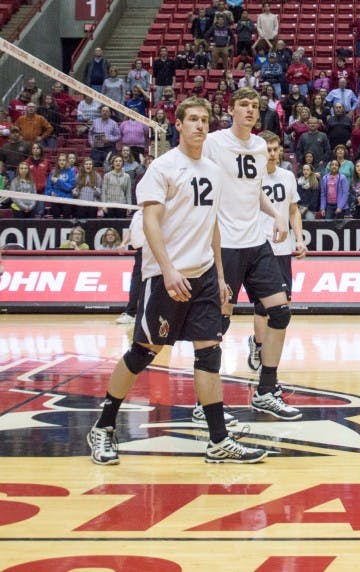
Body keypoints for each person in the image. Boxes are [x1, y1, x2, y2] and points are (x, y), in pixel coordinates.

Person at [87, 95, 266, 466]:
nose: (201, 125)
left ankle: (218, 440)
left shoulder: (214, 172)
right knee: (142, 354)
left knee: (209, 353)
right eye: (194, 119)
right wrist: (167, 268)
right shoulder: (163, 168)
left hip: (202, 278)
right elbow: (151, 221)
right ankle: (103, 426)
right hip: (166, 278)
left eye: (205, 120)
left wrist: (219, 275)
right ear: (179, 125)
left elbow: (213, 226)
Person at [203, 87, 300, 421]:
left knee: (281, 311)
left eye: (254, 106)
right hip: (226, 244)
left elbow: (255, 189)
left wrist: (277, 215)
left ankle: (266, 390)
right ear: (230, 109)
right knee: (217, 323)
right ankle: (206, 403)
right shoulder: (215, 142)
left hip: (255, 242)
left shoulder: (260, 146)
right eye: (243, 105)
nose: (249, 110)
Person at [247, 130, 306, 371]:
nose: (272, 154)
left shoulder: (287, 176)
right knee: (263, 307)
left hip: (282, 250)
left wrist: (299, 239)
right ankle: (260, 348)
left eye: (275, 149)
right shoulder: (252, 177)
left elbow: (293, 211)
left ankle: (266, 348)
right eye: (267, 150)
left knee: (284, 307)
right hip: (260, 247)